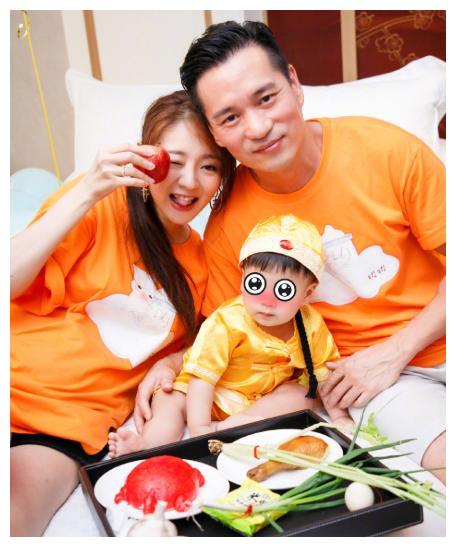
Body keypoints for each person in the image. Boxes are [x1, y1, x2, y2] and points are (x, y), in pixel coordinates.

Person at [171, 21, 445, 482]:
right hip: (378, 382)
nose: (259, 127)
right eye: (230, 118)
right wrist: (170, 366)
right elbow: (229, 334)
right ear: (215, 133)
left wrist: (396, 350)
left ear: (295, 85)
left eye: (266, 98)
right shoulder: (226, 230)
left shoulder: (388, 151)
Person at [10, 90, 236, 536]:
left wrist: (173, 362)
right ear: (148, 158)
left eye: (209, 166)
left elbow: (211, 340)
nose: (189, 181)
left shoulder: (204, 262)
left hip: (63, 429)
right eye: (174, 161)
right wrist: (89, 189)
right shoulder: (98, 203)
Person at [108, 214, 353, 457]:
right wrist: (200, 430)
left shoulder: (310, 325)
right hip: (201, 391)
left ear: (307, 293)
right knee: (169, 401)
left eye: (284, 290)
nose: (267, 302)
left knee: (302, 395)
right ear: (243, 276)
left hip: (259, 397)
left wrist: (340, 417)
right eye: (256, 285)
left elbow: (324, 375)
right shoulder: (228, 321)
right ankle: (146, 444)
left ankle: (241, 422)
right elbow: (202, 380)